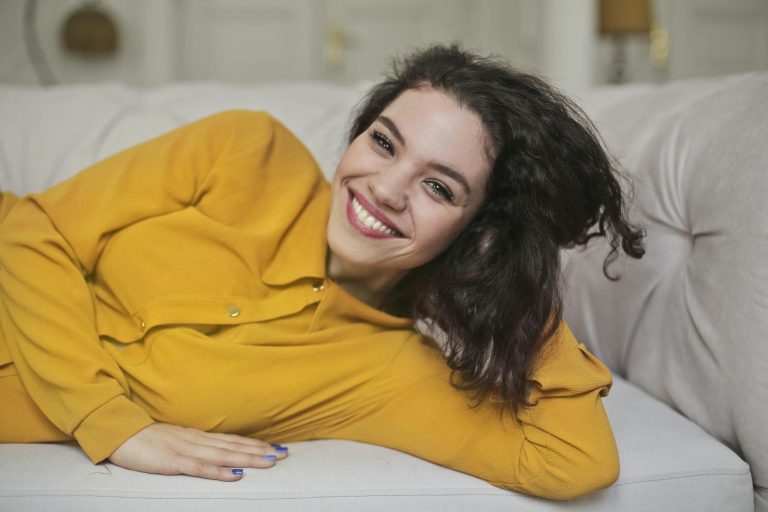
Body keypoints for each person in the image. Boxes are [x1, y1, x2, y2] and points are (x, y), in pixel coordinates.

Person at [0, 44, 644, 500]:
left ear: (479, 232)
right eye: (384, 142)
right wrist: (111, 423)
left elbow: (572, 462)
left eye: (439, 189)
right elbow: (33, 230)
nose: (385, 188)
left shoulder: (385, 371)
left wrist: (515, 282)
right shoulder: (246, 150)